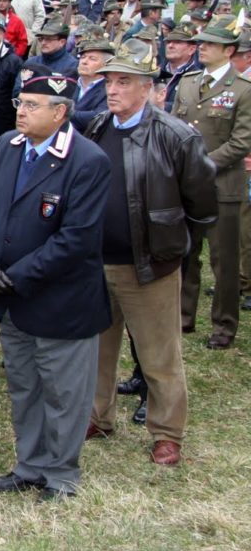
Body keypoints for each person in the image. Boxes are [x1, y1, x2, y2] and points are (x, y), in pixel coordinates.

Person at [0, 65, 112, 500]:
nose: (21, 111)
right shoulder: (8, 146)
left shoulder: (87, 160)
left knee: (64, 392)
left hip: (60, 301)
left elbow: (76, 240)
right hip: (10, 297)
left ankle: (61, 474)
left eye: (33, 105)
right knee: (25, 385)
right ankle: (29, 465)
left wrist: (13, 277)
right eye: (21, 102)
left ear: (60, 112)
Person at [83, 40, 216, 466]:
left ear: (148, 87)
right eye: (109, 81)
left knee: (160, 355)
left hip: (149, 267)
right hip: (97, 263)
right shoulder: (97, 126)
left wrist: (173, 248)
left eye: (124, 82)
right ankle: (98, 416)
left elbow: (202, 204)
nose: (112, 89)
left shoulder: (175, 135)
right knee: (97, 350)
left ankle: (167, 432)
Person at [171, 21, 251, 349]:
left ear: (229, 50)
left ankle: (224, 325)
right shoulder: (188, 82)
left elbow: (241, 141)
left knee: (224, 260)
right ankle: (183, 316)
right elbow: (174, 126)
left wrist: (202, 164)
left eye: (209, 44)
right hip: (187, 185)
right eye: (200, 43)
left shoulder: (243, 89)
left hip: (223, 186)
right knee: (186, 254)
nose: (201, 47)